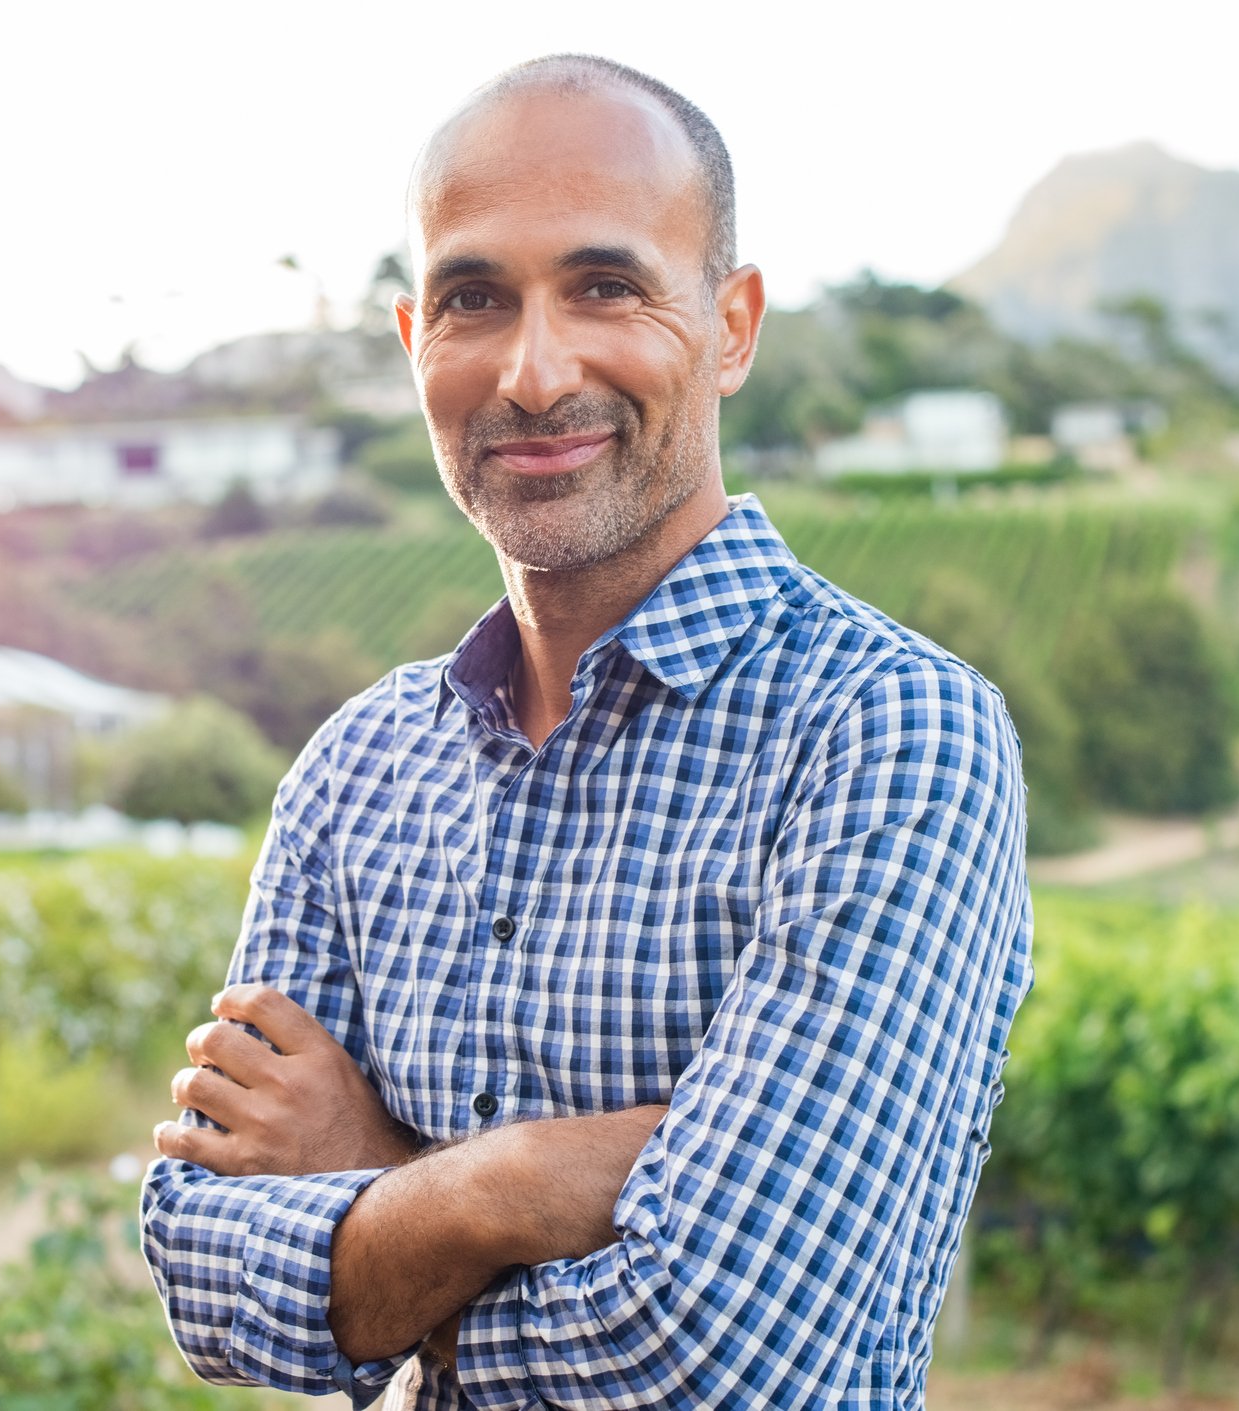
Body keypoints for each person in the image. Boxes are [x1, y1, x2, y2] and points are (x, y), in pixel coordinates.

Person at [140, 53, 1033, 1411]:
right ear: (411, 345)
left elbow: (719, 1359)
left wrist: (383, 1193)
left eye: (604, 287)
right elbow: (207, 1289)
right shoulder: (357, 768)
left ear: (730, 327)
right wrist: (514, 1187)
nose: (533, 370)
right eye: (473, 300)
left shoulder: (887, 732)